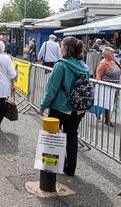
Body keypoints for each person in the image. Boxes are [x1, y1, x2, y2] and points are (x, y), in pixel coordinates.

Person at [39, 37, 90, 176]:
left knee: (52, 137)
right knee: (72, 137)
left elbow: (52, 89)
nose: (60, 49)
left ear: (67, 49)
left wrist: (43, 106)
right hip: (78, 108)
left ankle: (52, 167)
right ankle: (70, 168)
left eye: (61, 46)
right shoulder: (84, 66)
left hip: (60, 107)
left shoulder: (60, 65)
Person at [95, 46, 121, 127]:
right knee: (106, 103)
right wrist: (99, 86)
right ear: (107, 55)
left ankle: (106, 117)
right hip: (106, 87)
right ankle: (107, 119)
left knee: (111, 103)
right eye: (112, 53)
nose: (113, 54)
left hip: (115, 86)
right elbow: (98, 76)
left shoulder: (114, 61)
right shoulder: (103, 63)